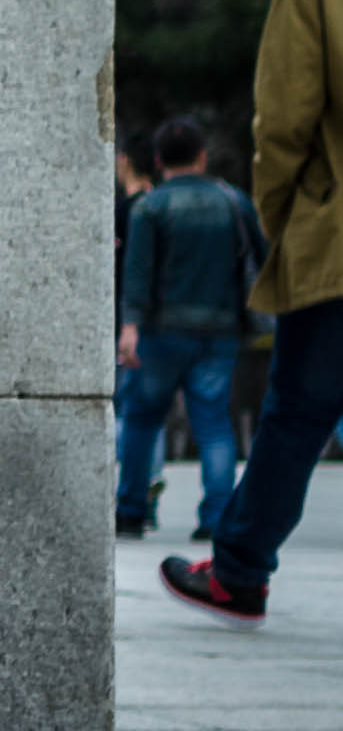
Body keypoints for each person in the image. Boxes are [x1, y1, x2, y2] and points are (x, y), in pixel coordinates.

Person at [171, 0, 343, 621]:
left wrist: (283, 219)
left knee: (296, 413)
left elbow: (283, 122)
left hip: (334, 242)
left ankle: (238, 571)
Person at [118, 116, 265, 541]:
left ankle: (131, 509)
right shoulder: (233, 201)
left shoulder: (151, 207)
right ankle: (215, 517)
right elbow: (261, 257)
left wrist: (130, 326)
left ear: (159, 160)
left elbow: (138, 272)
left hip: (161, 331)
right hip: (220, 330)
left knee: (142, 420)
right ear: (202, 156)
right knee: (214, 423)